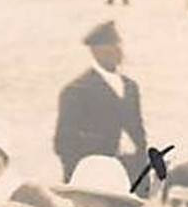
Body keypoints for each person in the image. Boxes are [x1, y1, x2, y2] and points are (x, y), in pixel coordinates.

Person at [53, 21, 147, 184]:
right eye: (110, 47)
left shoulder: (130, 87)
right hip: (94, 175)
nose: (118, 51)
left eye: (119, 45)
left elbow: (138, 131)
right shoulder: (76, 91)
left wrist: (141, 165)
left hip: (130, 173)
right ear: (96, 52)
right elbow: (64, 143)